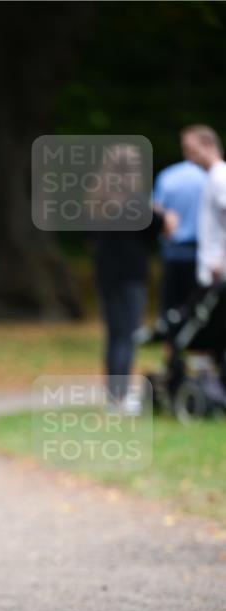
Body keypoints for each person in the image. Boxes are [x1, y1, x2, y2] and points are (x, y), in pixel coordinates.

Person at [92, 144, 166, 411]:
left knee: (113, 335)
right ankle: (121, 398)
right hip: (131, 275)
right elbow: (161, 228)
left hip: (105, 274)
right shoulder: (135, 201)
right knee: (128, 335)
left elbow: (87, 235)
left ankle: (113, 394)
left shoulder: (98, 198)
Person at [152, 127, 208, 313]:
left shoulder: (168, 176)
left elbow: (156, 214)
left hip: (173, 251)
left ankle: (171, 341)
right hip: (204, 254)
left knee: (171, 309)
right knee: (202, 312)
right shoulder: (212, 177)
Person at [188, 126, 226, 287]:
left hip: (219, 271)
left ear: (208, 145)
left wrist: (221, 261)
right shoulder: (214, 176)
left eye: (190, 149)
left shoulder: (220, 177)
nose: (188, 156)